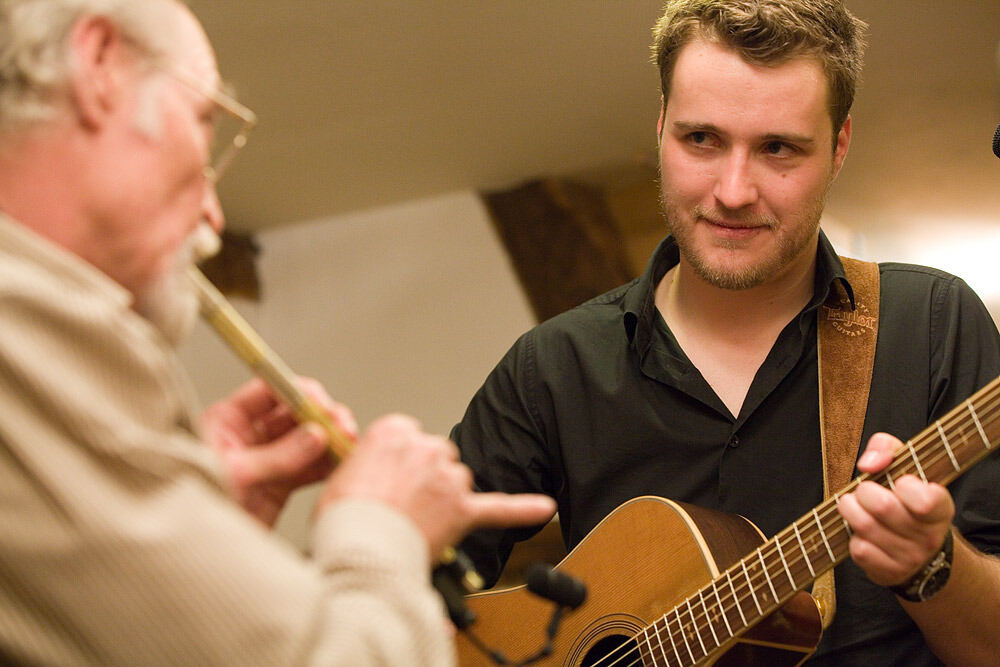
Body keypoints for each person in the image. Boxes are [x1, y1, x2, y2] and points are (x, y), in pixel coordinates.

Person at [0, 0, 556, 664]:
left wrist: (197, 518)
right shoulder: (38, 328)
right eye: (206, 121)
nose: (212, 210)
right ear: (102, 66)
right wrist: (381, 533)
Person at [451, 1, 1000, 665]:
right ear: (660, 129)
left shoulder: (932, 320)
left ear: (840, 146)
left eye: (778, 148)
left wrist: (930, 565)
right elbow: (415, 593)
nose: (733, 190)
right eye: (701, 140)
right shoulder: (552, 367)